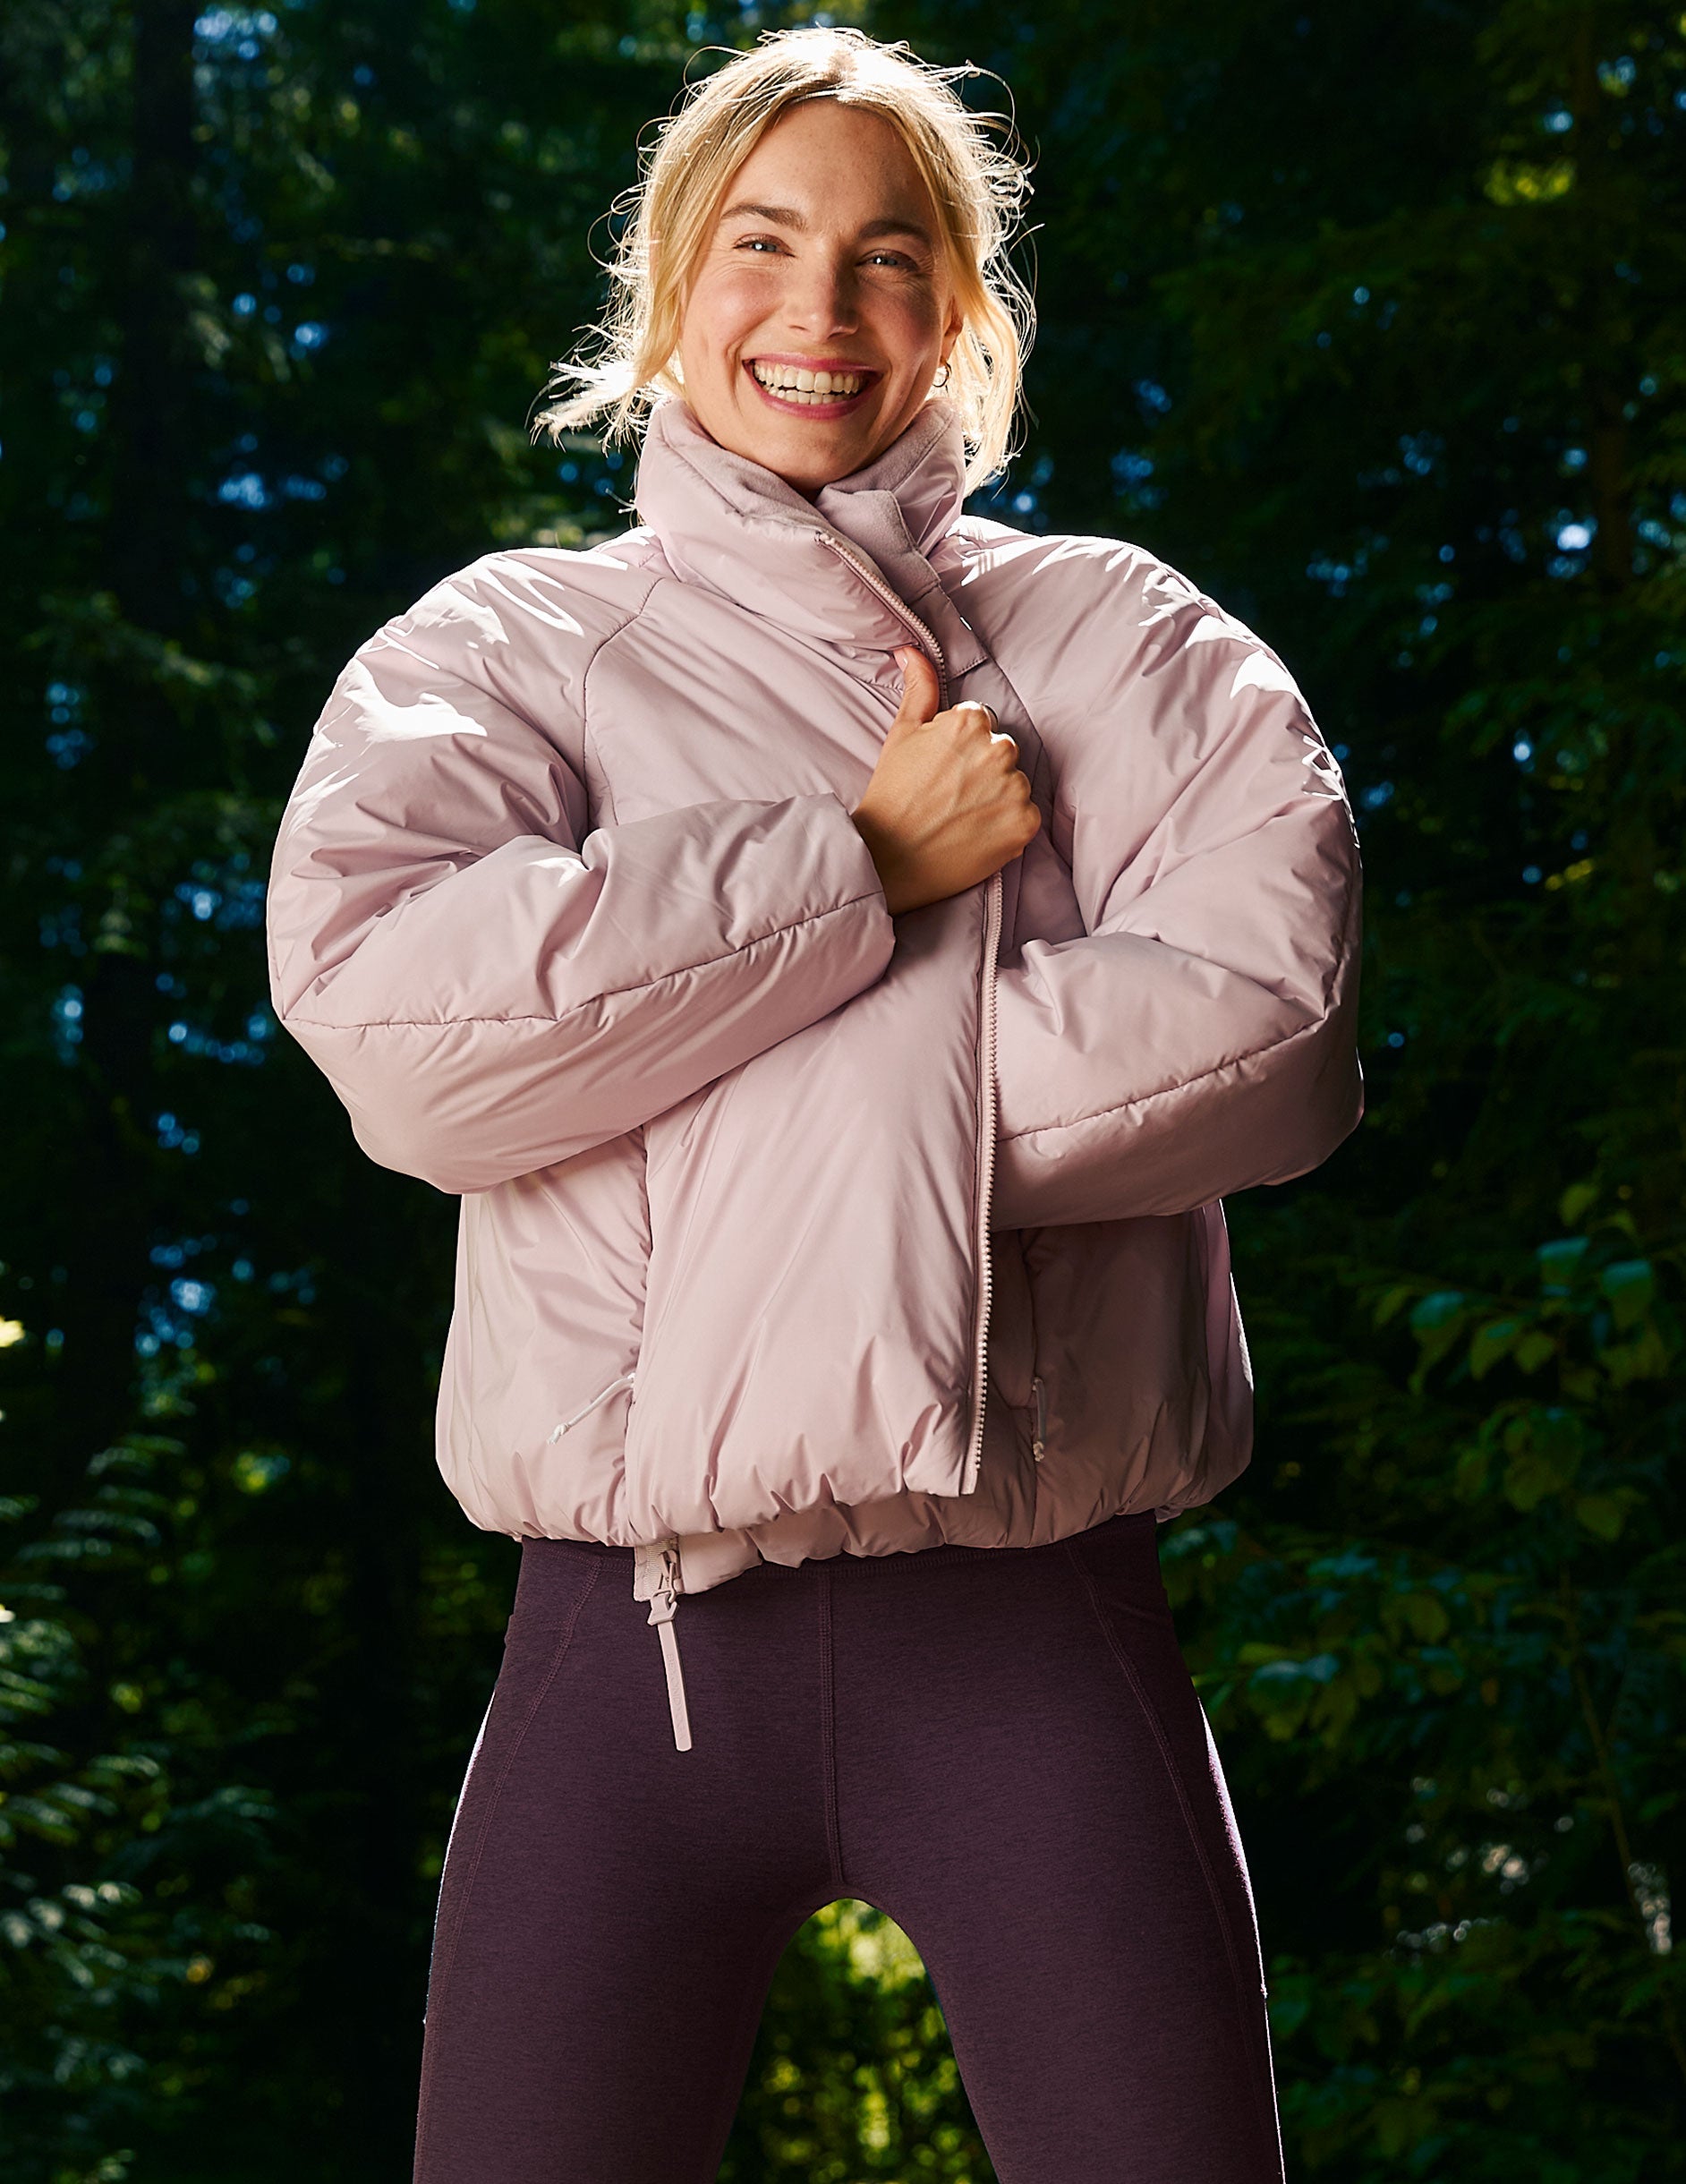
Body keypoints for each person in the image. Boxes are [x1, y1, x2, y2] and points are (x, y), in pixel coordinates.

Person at [266, 25, 1362, 2184]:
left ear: (957, 313)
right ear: (673, 286)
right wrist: (857, 869)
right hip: (619, 1647)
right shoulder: (499, 649)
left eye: (885, 259)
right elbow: (402, 1039)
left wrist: (648, 1063)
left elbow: (1276, 1032)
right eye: (764, 243)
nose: (820, 310)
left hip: (1038, 1615)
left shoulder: (1128, 641)